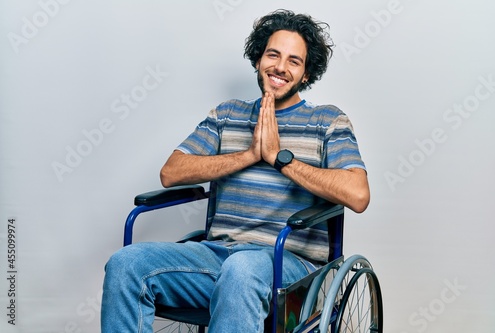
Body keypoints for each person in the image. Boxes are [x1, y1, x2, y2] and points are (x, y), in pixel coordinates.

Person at [101, 9, 369, 333]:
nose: (280, 67)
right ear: (258, 60)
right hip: (215, 256)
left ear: (306, 74)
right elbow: (171, 173)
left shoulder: (328, 121)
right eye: (273, 55)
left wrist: (279, 158)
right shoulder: (227, 114)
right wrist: (250, 154)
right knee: (126, 264)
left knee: (242, 268)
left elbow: (357, 195)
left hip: (289, 267)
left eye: (294, 61)